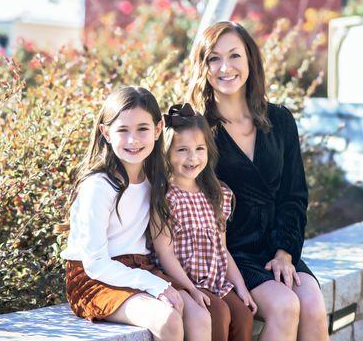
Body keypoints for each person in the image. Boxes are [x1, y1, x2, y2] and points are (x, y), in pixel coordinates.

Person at [188, 21, 329, 341]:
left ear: (250, 60)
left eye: (235, 55)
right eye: (214, 58)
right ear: (203, 66)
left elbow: (294, 195)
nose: (225, 67)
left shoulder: (279, 120)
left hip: (275, 246)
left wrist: (285, 252)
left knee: (312, 303)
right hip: (228, 251)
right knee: (284, 306)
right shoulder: (196, 129)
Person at [57, 86, 211, 341]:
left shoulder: (155, 178)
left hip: (140, 267)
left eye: (142, 129)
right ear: (106, 133)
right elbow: (95, 263)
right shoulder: (98, 186)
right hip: (94, 278)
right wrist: (157, 285)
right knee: (167, 318)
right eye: (122, 130)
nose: (133, 140)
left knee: (200, 315)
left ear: (158, 129)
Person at [151, 103, 256, 341]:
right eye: (182, 150)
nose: (192, 158)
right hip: (183, 280)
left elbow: (222, 249)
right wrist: (189, 288)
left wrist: (240, 286)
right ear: (166, 152)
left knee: (244, 314)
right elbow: (164, 254)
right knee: (218, 313)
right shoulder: (165, 197)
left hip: (215, 280)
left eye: (200, 148)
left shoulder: (217, 194)